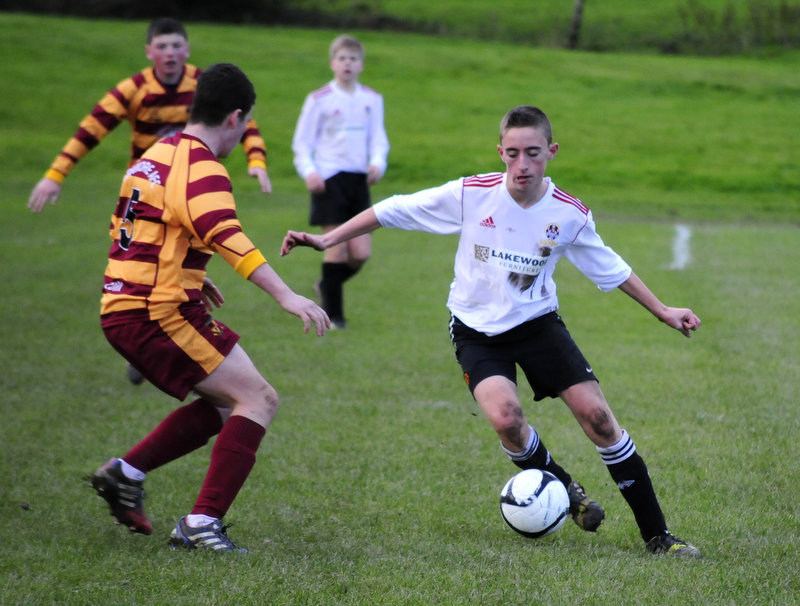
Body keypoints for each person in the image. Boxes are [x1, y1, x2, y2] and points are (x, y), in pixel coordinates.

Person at [282, 105, 702, 558]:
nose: (523, 164)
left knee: (599, 420)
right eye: (514, 153)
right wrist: (327, 240)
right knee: (506, 420)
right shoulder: (470, 194)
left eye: (534, 153)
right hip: (475, 330)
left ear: (552, 152)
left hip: (538, 324)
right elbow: (392, 210)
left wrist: (662, 309)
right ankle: (563, 487)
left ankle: (659, 536)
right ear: (500, 152)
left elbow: (610, 267)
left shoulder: (569, 214)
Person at [90, 62, 329, 553]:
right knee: (258, 400)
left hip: (127, 302)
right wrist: (286, 294)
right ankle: (201, 524)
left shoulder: (156, 154)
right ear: (235, 118)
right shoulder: (202, 165)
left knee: (230, 405)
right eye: (244, 129)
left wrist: (190, 274)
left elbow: (143, 228)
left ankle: (125, 473)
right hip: (154, 311)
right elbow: (226, 233)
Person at [27, 17, 272, 214]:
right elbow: (91, 131)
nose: (170, 53)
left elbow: (242, 122)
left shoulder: (203, 84)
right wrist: (55, 175)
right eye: (162, 46)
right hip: (146, 185)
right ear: (148, 52)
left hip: (191, 184)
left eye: (176, 46)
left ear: (186, 50)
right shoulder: (133, 89)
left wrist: (257, 161)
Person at [291, 34, 390, 329]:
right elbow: (302, 143)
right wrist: (309, 171)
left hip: (358, 182)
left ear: (361, 64)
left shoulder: (372, 99)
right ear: (333, 62)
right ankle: (334, 317)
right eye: (342, 58)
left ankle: (326, 285)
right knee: (336, 248)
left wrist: (377, 164)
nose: (348, 63)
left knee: (361, 253)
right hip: (329, 180)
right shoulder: (319, 99)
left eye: (354, 58)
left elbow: (379, 139)